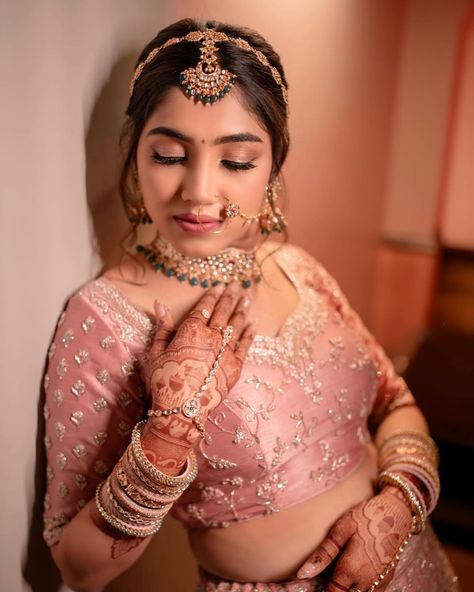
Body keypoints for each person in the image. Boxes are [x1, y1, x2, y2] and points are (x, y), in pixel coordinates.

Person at [41, 18, 459, 592]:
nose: (199, 190)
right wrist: (168, 435)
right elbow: (76, 567)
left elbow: (395, 401)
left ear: (271, 168)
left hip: (414, 565)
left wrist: (400, 502)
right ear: (135, 154)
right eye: (168, 155)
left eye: (236, 162)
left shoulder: (295, 266)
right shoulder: (104, 318)